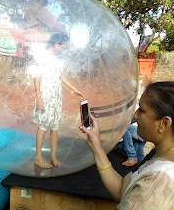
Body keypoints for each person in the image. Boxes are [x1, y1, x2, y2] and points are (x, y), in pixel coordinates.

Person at [80, 81, 174, 209]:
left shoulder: (158, 183)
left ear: (164, 123)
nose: (135, 115)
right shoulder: (160, 153)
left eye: (142, 110)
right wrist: (96, 145)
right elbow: (122, 190)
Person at [34, 33, 84, 169]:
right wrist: (38, 96)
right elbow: (37, 76)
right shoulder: (42, 56)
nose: (63, 49)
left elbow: (61, 76)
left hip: (56, 96)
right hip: (46, 94)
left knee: (55, 126)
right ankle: (38, 157)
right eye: (63, 46)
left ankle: (53, 157)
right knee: (43, 125)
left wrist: (74, 89)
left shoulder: (57, 59)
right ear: (56, 44)